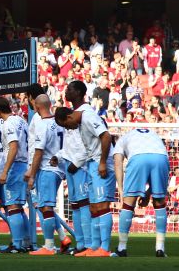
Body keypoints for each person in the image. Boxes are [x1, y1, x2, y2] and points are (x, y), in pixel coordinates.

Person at [55, 80, 115, 257]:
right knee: (94, 207)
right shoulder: (80, 120)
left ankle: (104, 248)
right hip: (92, 163)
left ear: (69, 118)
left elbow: (106, 136)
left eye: (66, 125)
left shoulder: (88, 116)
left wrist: (103, 162)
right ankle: (94, 247)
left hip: (99, 163)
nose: (69, 128)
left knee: (102, 205)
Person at [112, 128, 170, 257]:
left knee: (128, 204)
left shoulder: (120, 140)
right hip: (161, 157)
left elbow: (118, 164)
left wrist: (121, 192)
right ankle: (160, 248)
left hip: (138, 157)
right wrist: (148, 194)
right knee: (159, 202)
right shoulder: (152, 134)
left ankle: (122, 248)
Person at [27, 94, 66, 255]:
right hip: (59, 168)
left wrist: (31, 175)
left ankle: (49, 246)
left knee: (46, 206)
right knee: (45, 206)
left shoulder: (42, 125)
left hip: (47, 169)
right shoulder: (59, 123)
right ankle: (59, 240)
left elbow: (38, 152)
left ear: (36, 107)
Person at [0, 96, 29, 253]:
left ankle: (16, 244)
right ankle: (26, 242)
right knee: (18, 207)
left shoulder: (8, 124)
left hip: (15, 165)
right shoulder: (21, 120)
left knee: (12, 206)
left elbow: (13, 146)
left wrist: (5, 170)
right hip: (24, 163)